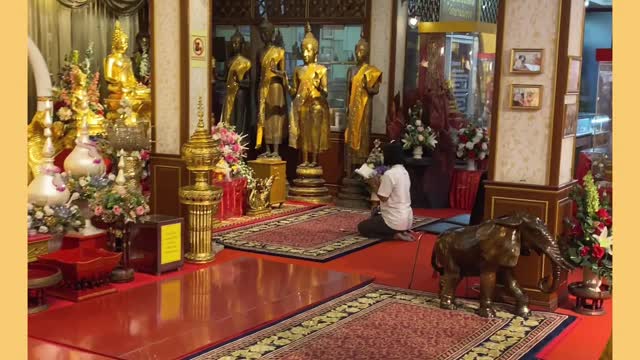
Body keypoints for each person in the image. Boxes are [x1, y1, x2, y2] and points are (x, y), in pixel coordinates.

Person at [358, 142, 415, 241]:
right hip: (407, 219)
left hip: (394, 220)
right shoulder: (404, 172)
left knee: (362, 227)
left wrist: (372, 184)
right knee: (375, 217)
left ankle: (394, 235)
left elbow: (383, 197)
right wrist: (376, 181)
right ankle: (400, 231)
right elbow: (389, 192)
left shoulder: (390, 174)